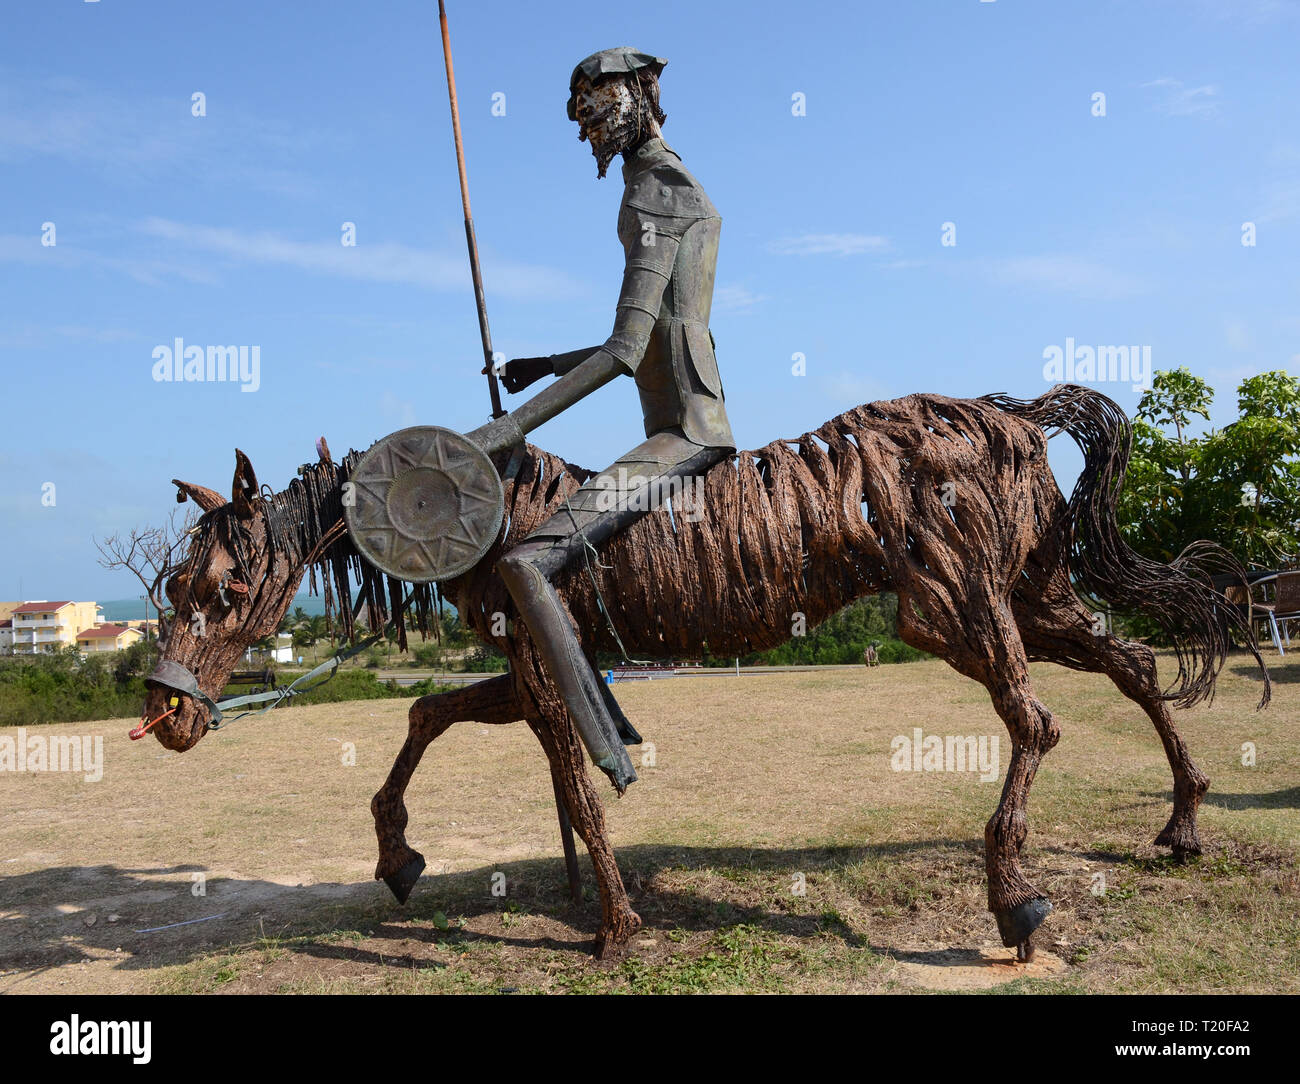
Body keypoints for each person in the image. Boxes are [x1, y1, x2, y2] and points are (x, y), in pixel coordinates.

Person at [466, 48, 736, 791]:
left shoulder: (656, 190)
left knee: (525, 562)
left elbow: (625, 350)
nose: (587, 127)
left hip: (685, 433)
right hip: (678, 423)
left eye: (598, 108)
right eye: (579, 116)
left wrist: (508, 428)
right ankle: (606, 715)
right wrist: (547, 362)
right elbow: (653, 332)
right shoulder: (664, 184)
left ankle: (608, 749)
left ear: (641, 95)